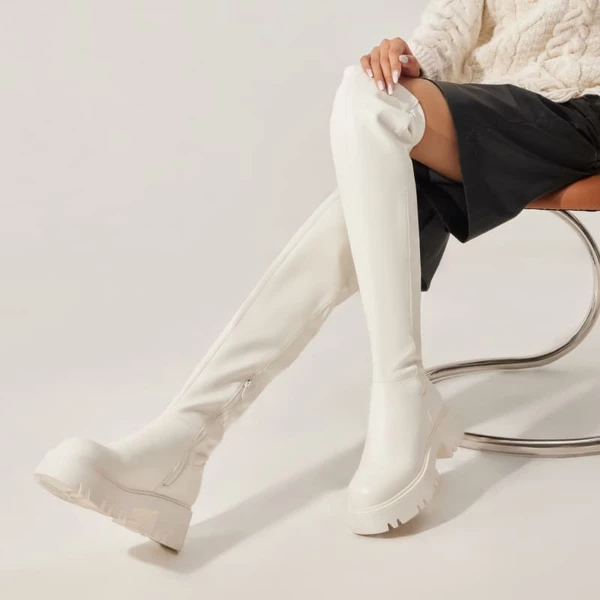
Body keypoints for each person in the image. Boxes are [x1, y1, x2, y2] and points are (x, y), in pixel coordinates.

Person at [34, 0, 600, 551]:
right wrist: (413, 60)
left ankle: (379, 401)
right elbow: (453, 21)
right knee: (372, 91)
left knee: (376, 107)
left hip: (581, 113)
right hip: (487, 113)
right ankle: (185, 437)